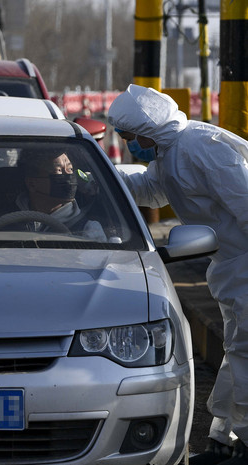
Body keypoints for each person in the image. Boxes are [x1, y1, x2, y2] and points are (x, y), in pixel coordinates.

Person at [108, 84, 248, 465]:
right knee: (236, 353)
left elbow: (246, 201)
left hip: (245, 264)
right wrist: (100, 177)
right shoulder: (171, 153)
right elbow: (151, 190)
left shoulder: (201, 147)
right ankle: (225, 441)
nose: (128, 143)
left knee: (246, 353)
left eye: (128, 136)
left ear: (145, 129)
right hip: (231, 267)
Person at [0, 150, 106, 241]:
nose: (69, 176)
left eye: (70, 169)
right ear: (32, 184)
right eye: (59, 171)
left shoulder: (88, 229)